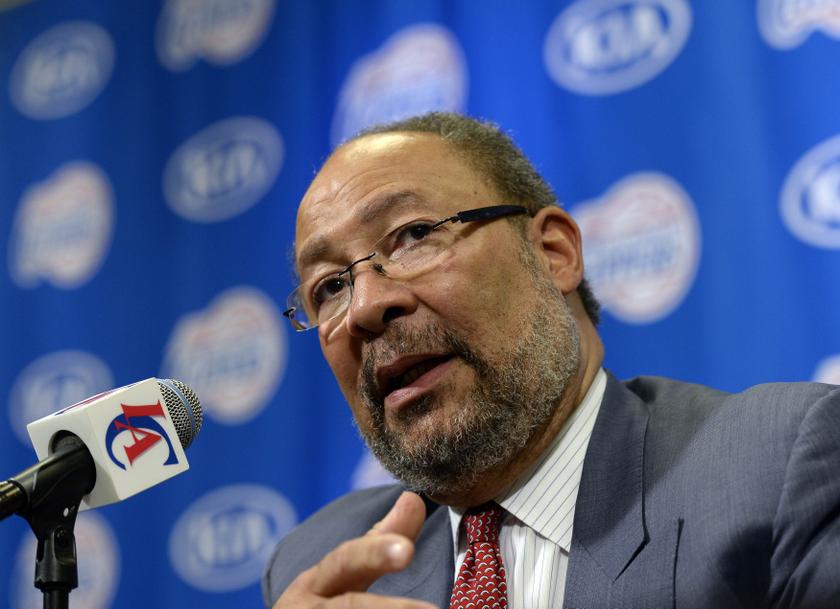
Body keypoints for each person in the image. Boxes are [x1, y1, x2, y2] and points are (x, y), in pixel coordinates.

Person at [262, 112, 840, 609]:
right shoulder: (317, 566)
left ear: (554, 254)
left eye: (414, 235)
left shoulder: (778, 467)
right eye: (330, 286)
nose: (364, 306)